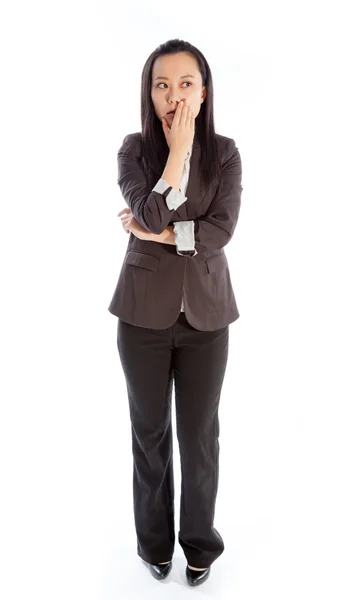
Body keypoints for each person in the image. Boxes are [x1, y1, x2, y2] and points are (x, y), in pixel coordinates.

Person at [108, 38, 243, 587]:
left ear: (204, 90)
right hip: (141, 316)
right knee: (149, 433)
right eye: (162, 84)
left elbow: (221, 232)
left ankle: (200, 543)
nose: (174, 95)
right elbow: (147, 205)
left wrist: (158, 233)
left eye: (186, 83)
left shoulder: (228, 152)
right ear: (149, 92)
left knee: (199, 436)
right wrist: (178, 154)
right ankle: (154, 543)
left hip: (208, 318)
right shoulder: (133, 151)